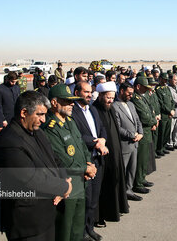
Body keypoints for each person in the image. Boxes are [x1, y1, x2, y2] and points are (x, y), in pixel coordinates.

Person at [0, 91, 72, 241]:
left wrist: (65, 180)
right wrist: (63, 187)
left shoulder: (36, 132)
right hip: (28, 223)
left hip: (46, 215)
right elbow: (31, 178)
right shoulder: (9, 142)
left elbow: (54, 159)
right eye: (40, 114)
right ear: (24, 112)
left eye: (45, 114)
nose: (43, 119)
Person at [42, 84, 96, 241]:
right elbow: (62, 160)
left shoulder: (70, 122)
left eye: (72, 101)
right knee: (65, 230)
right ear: (54, 103)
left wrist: (89, 163)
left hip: (81, 182)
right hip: (68, 185)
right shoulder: (51, 128)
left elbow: (82, 147)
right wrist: (85, 169)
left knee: (78, 229)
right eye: (67, 101)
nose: (72, 104)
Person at [72, 82, 108, 240]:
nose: (88, 95)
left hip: (97, 158)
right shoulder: (72, 111)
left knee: (94, 198)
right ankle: (82, 232)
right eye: (85, 92)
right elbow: (77, 136)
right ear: (76, 92)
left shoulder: (92, 109)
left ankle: (90, 227)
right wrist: (96, 142)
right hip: (85, 160)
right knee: (85, 199)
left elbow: (102, 129)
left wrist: (103, 141)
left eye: (90, 92)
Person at [92, 82, 130, 223]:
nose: (110, 100)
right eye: (108, 97)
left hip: (116, 153)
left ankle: (117, 208)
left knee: (116, 180)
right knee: (105, 185)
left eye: (112, 98)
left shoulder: (111, 109)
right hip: (104, 155)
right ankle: (103, 214)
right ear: (100, 95)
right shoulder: (95, 110)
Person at [113, 82, 144, 201]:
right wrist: (132, 135)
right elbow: (117, 127)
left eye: (132, 93)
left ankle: (129, 190)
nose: (131, 95)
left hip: (135, 143)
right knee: (123, 171)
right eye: (129, 93)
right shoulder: (115, 106)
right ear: (121, 91)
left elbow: (137, 120)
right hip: (124, 145)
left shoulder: (131, 104)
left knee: (132, 170)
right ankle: (121, 195)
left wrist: (140, 133)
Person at [131, 76, 157, 194]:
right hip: (143, 131)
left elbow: (151, 110)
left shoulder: (143, 97)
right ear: (138, 86)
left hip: (147, 132)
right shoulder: (135, 98)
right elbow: (144, 116)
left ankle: (142, 178)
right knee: (140, 159)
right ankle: (138, 183)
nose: (147, 90)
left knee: (145, 157)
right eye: (145, 87)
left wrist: (153, 119)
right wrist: (153, 121)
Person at [155, 73, 175, 153]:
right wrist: (169, 111)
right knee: (162, 133)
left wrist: (172, 109)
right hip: (164, 114)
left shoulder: (167, 88)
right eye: (164, 79)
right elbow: (161, 103)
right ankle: (159, 149)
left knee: (167, 132)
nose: (166, 81)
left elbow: (172, 100)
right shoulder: (158, 89)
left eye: (167, 79)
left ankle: (163, 147)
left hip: (170, 115)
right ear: (160, 79)